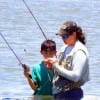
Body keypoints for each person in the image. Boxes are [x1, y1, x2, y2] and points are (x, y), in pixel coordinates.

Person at [45, 21, 89, 100]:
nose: (63, 39)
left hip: (72, 94)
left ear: (74, 34)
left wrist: (56, 66)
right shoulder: (64, 48)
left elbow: (76, 77)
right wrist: (52, 67)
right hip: (58, 93)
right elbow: (60, 71)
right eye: (61, 36)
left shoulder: (79, 52)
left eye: (65, 36)